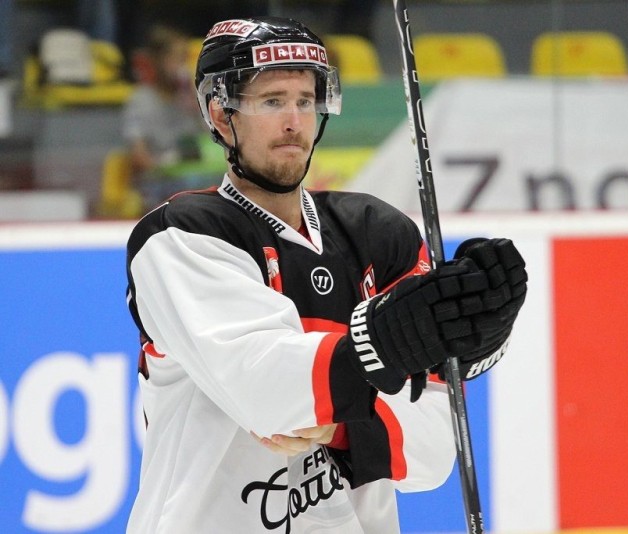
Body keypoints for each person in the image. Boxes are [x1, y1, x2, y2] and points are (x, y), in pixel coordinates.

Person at [125, 16, 527, 534]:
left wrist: (341, 422)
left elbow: (432, 454)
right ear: (221, 115)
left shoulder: (379, 235)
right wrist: (389, 345)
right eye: (271, 101)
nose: (294, 120)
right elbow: (266, 390)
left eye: (305, 99)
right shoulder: (179, 238)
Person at [122, 24, 206, 210]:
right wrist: (168, 163)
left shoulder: (192, 97)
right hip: (157, 185)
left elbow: (214, 142)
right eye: (174, 58)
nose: (180, 65)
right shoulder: (139, 100)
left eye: (184, 58)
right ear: (156, 60)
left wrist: (196, 100)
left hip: (196, 180)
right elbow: (139, 158)